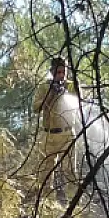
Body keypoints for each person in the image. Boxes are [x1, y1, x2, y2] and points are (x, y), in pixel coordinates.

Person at [28, 57, 77, 203]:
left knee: (70, 172)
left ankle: (73, 205)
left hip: (67, 134)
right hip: (49, 136)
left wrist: (65, 92)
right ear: (52, 72)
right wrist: (50, 94)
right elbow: (36, 108)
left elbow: (80, 101)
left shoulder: (72, 86)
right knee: (45, 172)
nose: (61, 75)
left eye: (63, 72)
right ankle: (47, 206)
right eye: (58, 72)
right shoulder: (44, 87)